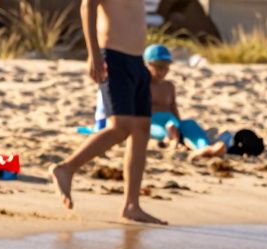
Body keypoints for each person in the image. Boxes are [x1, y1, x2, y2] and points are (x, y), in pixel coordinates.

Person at [50, 0, 164, 224]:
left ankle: (132, 205)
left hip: (136, 60)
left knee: (142, 127)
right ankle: (66, 169)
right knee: (120, 126)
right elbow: (88, 6)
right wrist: (94, 53)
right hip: (113, 55)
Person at [143, 44, 226, 159]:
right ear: (147, 65)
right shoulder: (141, 85)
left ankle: (203, 147)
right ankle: (174, 142)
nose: (163, 72)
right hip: (152, 124)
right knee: (164, 131)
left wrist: (180, 125)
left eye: (166, 67)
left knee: (190, 125)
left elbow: (173, 108)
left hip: (172, 123)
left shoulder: (168, 86)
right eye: (159, 67)